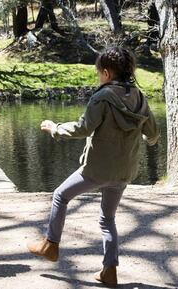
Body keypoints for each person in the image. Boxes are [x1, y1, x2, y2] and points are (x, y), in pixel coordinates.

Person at [27, 47, 159, 287]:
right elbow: (153, 134)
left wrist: (54, 128)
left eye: (99, 73)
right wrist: (143, 139)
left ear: (107, 73)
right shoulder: (140, 97)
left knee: (60, 196)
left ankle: (50, 246)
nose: (98, 76)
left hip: (96, 170)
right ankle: (109, 271)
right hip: (124, 172)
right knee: (107, 218)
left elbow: (83, 128)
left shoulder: (102, 97)